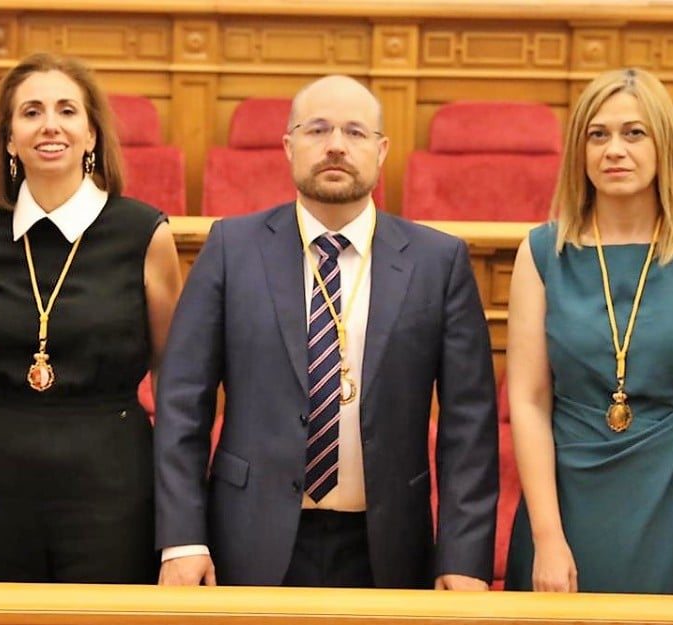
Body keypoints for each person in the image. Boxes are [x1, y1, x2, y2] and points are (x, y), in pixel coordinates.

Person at [154, 75, 499, 589]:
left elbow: (469, 426)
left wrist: (464, 558)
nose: (336, 145)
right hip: (246, 539)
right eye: (317, 130)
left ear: (382, 152)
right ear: (289, 147)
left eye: (356, 133)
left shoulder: (437, 262)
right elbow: (183, 401)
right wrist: (183, 539)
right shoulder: (233, 248)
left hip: (387, 545)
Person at [504, 67, 673, 595]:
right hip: (568, 499)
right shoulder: (541, 253)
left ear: (663, 144)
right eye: (598, 134)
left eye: (634, 133)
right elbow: (528, 401)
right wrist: (547, 536)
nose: (614, 149)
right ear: (580, 150)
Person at [0, 52, 182, 583]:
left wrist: (179, 494)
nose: (50, 124)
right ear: (9, 139)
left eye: (67, 111)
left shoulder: (143, 233)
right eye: (31, 112)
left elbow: (173, 372)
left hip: (112, 478)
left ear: (92, 134)